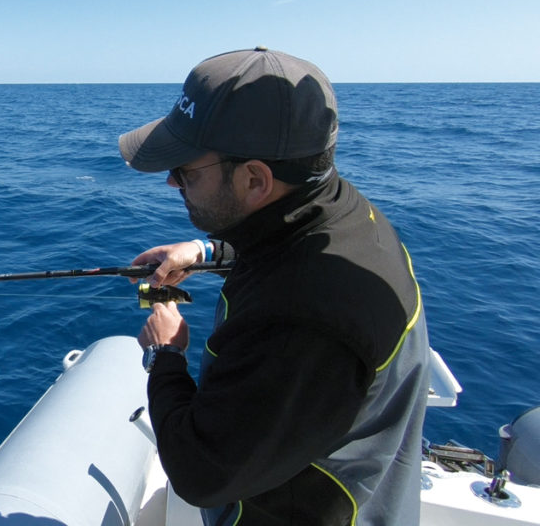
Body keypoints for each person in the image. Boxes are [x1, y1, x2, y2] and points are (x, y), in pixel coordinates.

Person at [119, 47, 430, 525]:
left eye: (185, 171)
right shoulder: (343, 212)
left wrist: (166, 355)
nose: (171, 183)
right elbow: (283, 246)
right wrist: (205, 254)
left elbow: (201, 474)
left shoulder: (303, 321)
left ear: (255, 179)